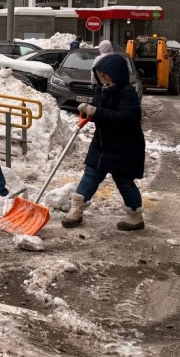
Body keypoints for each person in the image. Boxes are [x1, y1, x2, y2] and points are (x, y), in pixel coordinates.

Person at [62, 54, 146, 231]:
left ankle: (135, 217)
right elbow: (99, 112)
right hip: (102, 143)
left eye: (106, 75)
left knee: (124, 181)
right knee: (91, 174)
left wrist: (97, 112)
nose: (103, 78)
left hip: (125, 146)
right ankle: (76, 211)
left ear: (117, 74)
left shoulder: (127, 93)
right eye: (100, 75)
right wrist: (87, 111)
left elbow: (127, 118)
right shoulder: (102, 90)